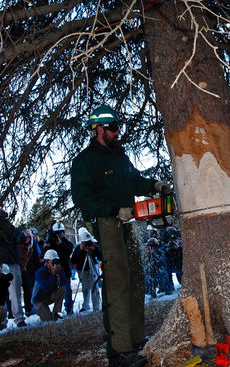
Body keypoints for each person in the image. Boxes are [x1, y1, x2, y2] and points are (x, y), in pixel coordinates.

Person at [70, 104, 170, 367]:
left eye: (118, 127)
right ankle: (119, 350)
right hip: (106, 224)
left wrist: (154, 185)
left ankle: (137, 340)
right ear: (99, 129)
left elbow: (133, 179)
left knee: (136, 279)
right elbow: (82, 198)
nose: (117, 132)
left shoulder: (119, 156)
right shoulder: (85, 161)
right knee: (117, 284)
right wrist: (113, 210)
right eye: (113, 127)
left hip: (127, 223)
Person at [0, 208, 27, 327]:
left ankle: (2, 320)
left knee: (0, 293)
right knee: (14, 292)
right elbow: (23, 238)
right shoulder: (9, 228)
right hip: (10, 262)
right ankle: (19, 318)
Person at [44, 222, 74, 315]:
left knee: (66, 289)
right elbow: (45, 255)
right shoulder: (51, 244)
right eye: (56, 233)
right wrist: (47, 243)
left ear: (64, 232)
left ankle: (69, 308)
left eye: (60, 232)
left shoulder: (66, 243)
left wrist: (60, 244)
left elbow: (68, 251)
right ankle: (55, 310)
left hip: (64, 269)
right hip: (53, 270)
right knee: (54, 290)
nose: (58, 235)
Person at [70, 227, 102, 312]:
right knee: (85, 287)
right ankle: (85, 305)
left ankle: (96, 306)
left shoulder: (94, 245)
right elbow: (73, 260)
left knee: (94, 286)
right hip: (82, 270)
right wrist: (81, 250)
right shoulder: (78, 248)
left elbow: (100, 257)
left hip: (92, 267)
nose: (87, 244)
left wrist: (95, 249)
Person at [32, 249, 66, 322]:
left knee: (62, 289)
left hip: (49, 296)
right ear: (47, 262)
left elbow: (63, 284)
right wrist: (53, 275)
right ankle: (45, 313)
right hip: (38, 299)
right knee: (49, 319)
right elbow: (46, 288)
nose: (55, 263)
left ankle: (56, 312)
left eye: (56, 261)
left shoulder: (59, 269)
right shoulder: (40, 272)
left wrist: (59, 274)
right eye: (53, 261)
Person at [19, 227, 42, 316]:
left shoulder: (34, 245)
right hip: (27, 270)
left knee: (32, 289)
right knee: (29, 289)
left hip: (32, 269)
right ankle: (29, 307)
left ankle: (32, 306)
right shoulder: (22, 246)